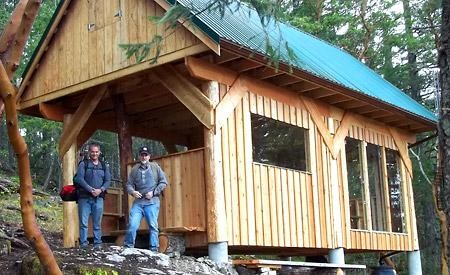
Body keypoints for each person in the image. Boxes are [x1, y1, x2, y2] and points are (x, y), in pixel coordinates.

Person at [124, 146, 168, 251]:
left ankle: (153, 249)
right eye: (142, 155)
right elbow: (128, 185)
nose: (144, 157)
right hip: (138, 202)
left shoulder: (155, 167)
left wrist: (153, 192)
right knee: (132, 225)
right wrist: (133, 192)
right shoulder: (134, 169)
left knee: (153, 226)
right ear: (139, 156)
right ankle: (128, 247)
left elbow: (163, 182)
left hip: (152, 202)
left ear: (149, 156)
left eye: (146, 155)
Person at [75, 142, 111, 248]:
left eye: (96, 152)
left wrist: (101, 190)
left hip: (98, 198)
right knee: (83, 223)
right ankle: (83, 244)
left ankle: (97, 243)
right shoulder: (83, 164)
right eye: (92, 152)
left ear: (99, 152)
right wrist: (90, 189)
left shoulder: (104, 165)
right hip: (84, 198)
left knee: (97, 223)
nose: (94, 154)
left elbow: (108, 180)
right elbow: (79, 179)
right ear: (89, 152)